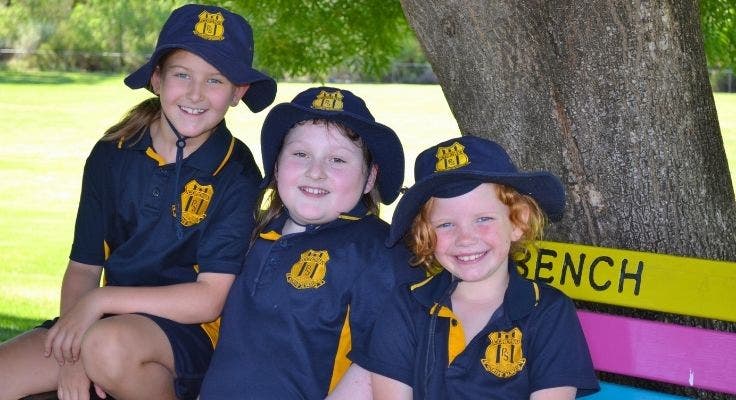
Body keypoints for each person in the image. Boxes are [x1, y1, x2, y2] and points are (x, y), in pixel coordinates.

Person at [0, 4, 276, 400]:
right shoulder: (113, 153)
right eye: (182, 75)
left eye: (215, 80)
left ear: (238, 93)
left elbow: (208, 300)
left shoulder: (238, 174)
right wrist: (72, 355)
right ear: (157, 78)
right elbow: (82, 267)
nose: (196, 94)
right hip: (101, 320)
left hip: (188, 335)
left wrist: (101, 301)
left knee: (107, 347)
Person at [199, 86, 424, 399]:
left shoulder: (380, 252)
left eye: (337, 160)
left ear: (370, 178)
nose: (315, 172)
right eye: (301, 154)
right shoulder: (252, 233)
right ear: (276, 165)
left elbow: (384, 366)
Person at [350, 136, 600, 399]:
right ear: (426, 234)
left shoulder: (547, 311)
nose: (465, 239)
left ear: (517, 222)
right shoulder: (407, 305)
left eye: (483, 219)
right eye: (446, 224)